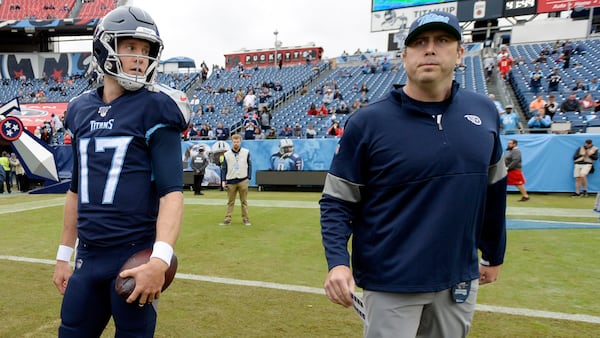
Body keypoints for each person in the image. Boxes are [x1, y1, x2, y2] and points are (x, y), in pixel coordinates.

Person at [320, 12, 506, 338]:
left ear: (460, 52)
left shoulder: (485, 112)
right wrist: (337, 262)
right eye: (419, 43)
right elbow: (337, 201)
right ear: (404, 56)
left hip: (458, 279)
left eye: (442, 41)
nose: (430, 50)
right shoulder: (367, 123)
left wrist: (493, 253)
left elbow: (494, 191)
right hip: (391, 279)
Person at [52, 7, 191, 337]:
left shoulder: (157, 106)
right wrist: (63, 255)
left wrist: (159, 260)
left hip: (134, 256)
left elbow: (172, 193)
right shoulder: (79, 109)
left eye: (145, 51)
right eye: (130, 47)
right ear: (104, 48)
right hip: (88, 256)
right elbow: (76, 190)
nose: (140, 58)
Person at [220, 134, 252, 226]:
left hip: (243, 179)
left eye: (237, 142)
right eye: (234, 142)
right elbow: (224, 168)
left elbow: (249, 165)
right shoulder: (227, 154)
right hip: (231, 180)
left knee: (244, 201)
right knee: (230, 202)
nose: (236, 144)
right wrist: (223, 180)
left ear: (240, 141)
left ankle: (245, 219)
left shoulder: (246, 152)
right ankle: (227, 219)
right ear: (232, 142)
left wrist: (248, 177)